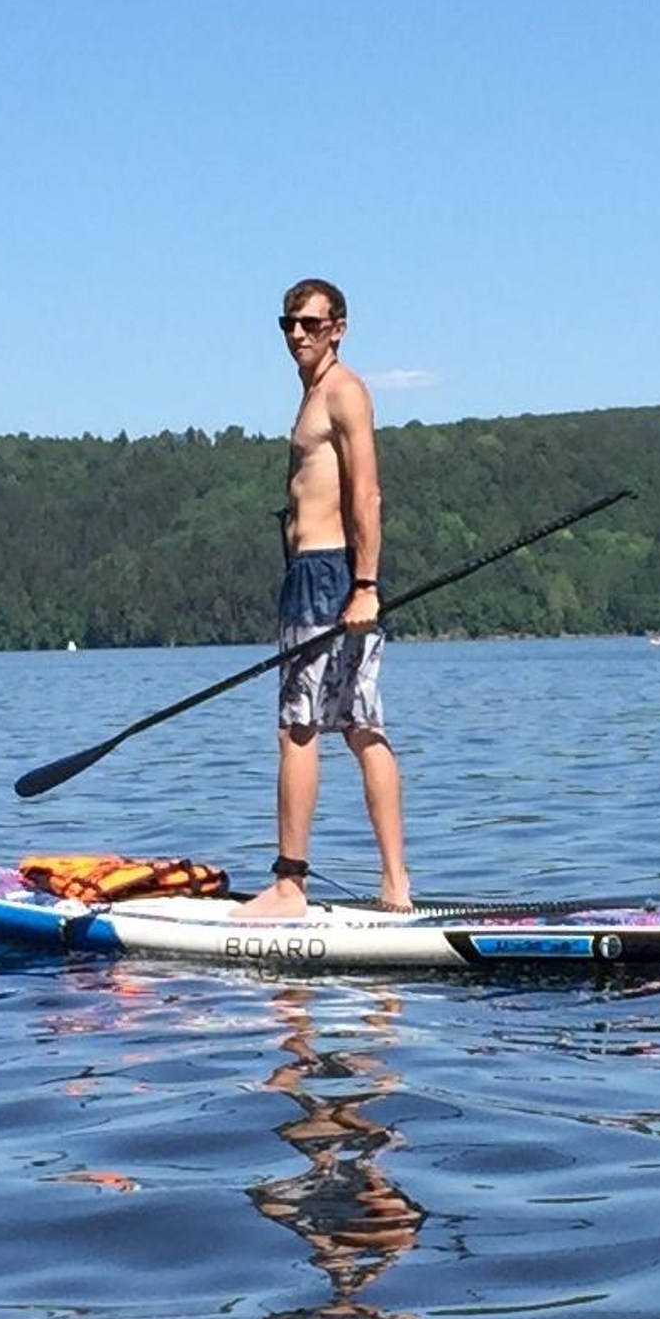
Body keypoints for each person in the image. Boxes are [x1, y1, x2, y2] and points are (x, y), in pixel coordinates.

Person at [236, 279, 411, 917]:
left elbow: (366, 493)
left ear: (338, 326)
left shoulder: (343, 392)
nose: (297, 335)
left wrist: (364, 584)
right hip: (322, 575)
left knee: (301, 729)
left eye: (310, 324)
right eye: (288, 324)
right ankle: (394, 887)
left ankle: (290, 886)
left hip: (327, 576)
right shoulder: (314, 394)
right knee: (361, 727)